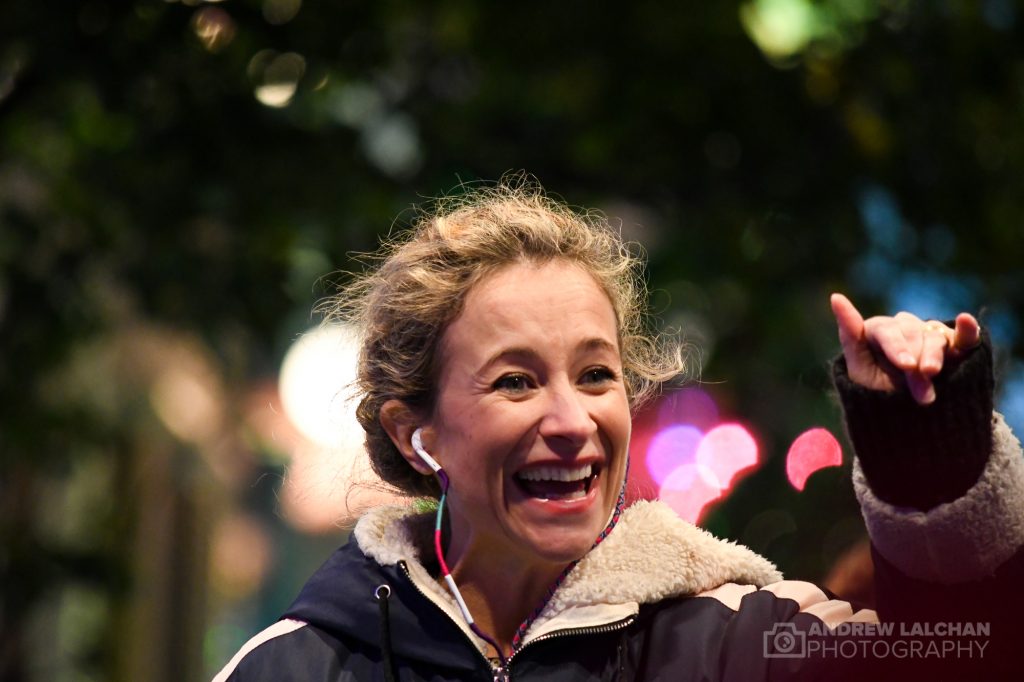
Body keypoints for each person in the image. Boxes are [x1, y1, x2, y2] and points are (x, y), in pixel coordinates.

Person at [214, 181, 1024, 681]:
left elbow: (969, 659)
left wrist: (929, 456)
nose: (573, 422)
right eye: (517, 381)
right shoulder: (297, 666)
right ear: (418, 433)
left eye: (596, 374)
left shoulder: (736, 643)